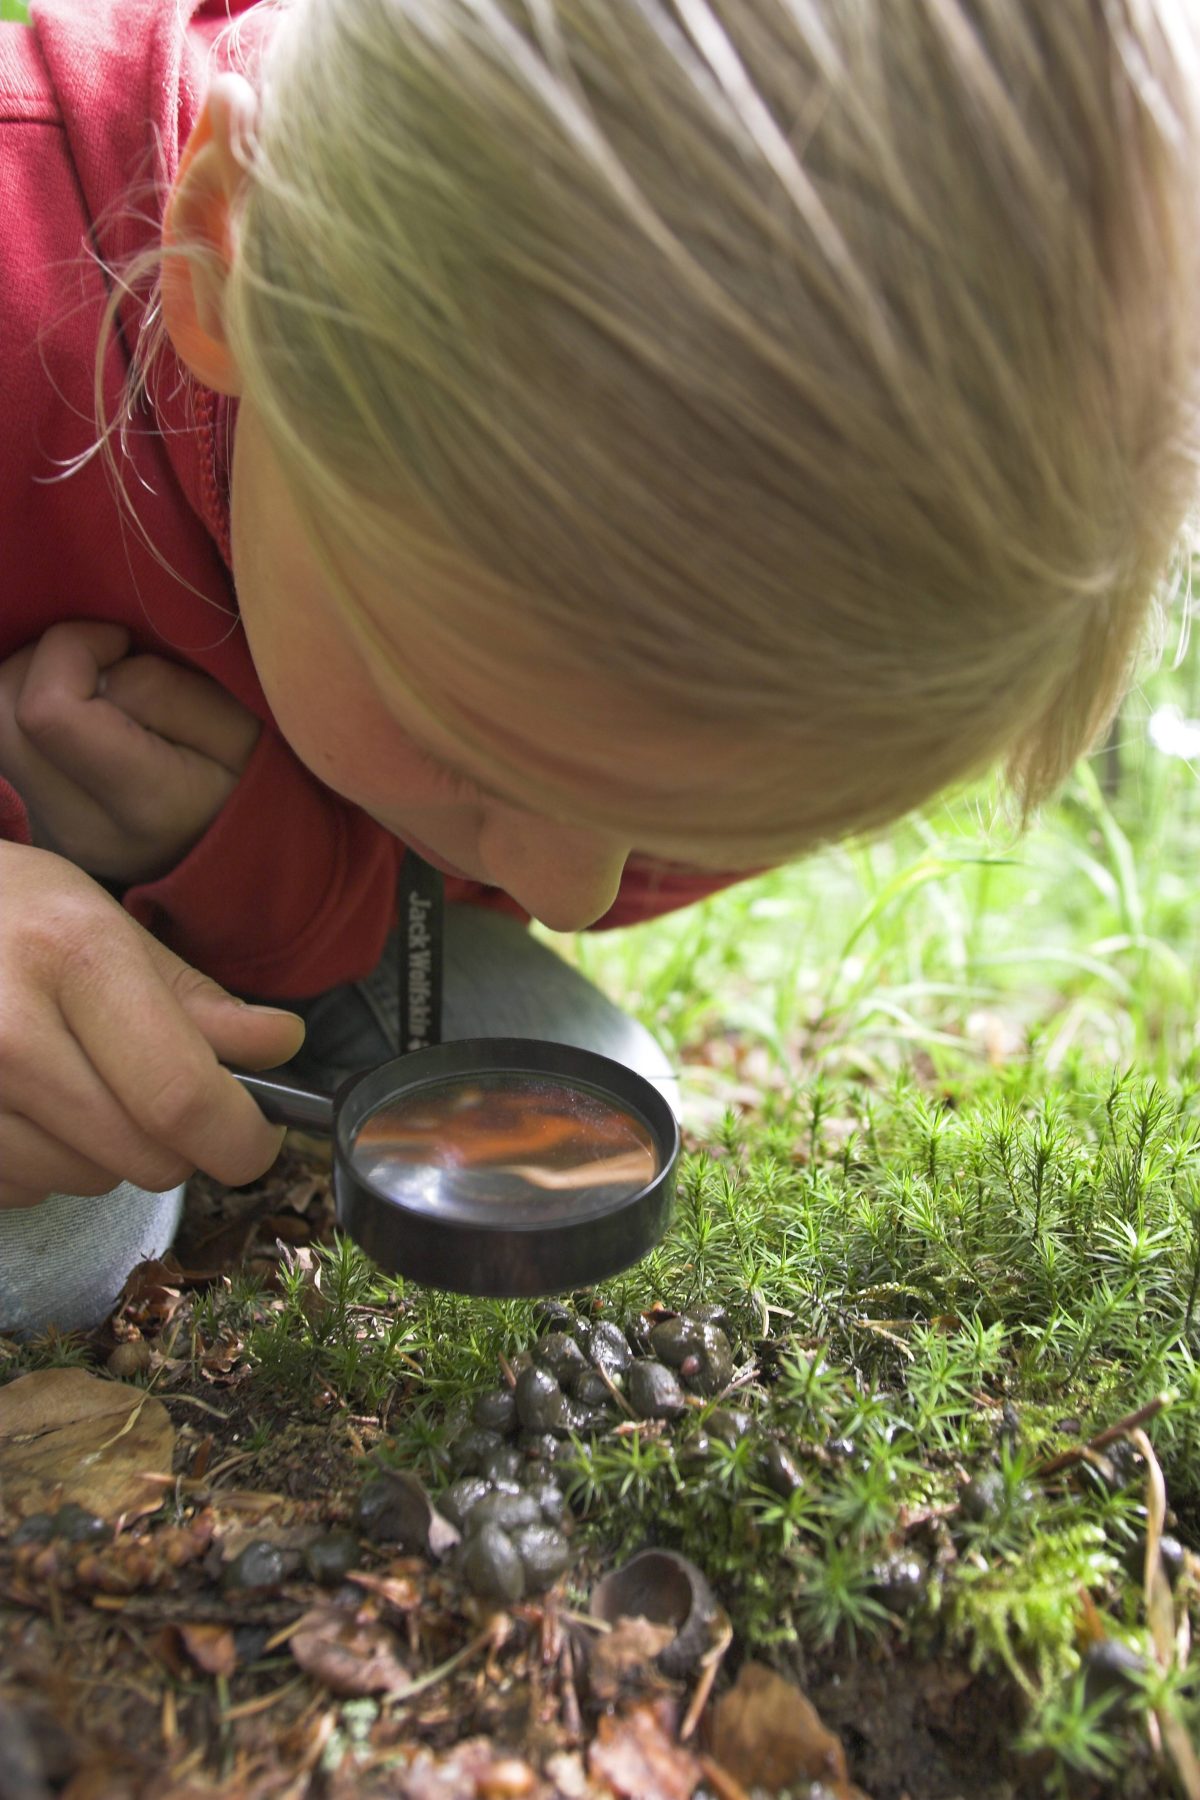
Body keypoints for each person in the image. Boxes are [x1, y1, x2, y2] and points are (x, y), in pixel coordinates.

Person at [2, 0, 1199, 1332]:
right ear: (227, 260)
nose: (572, 894)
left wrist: (279, 862)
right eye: (467, 750)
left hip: (293, 942)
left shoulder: (768, 672)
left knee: (593, 1085)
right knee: (48, 1268)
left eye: (667, 826)